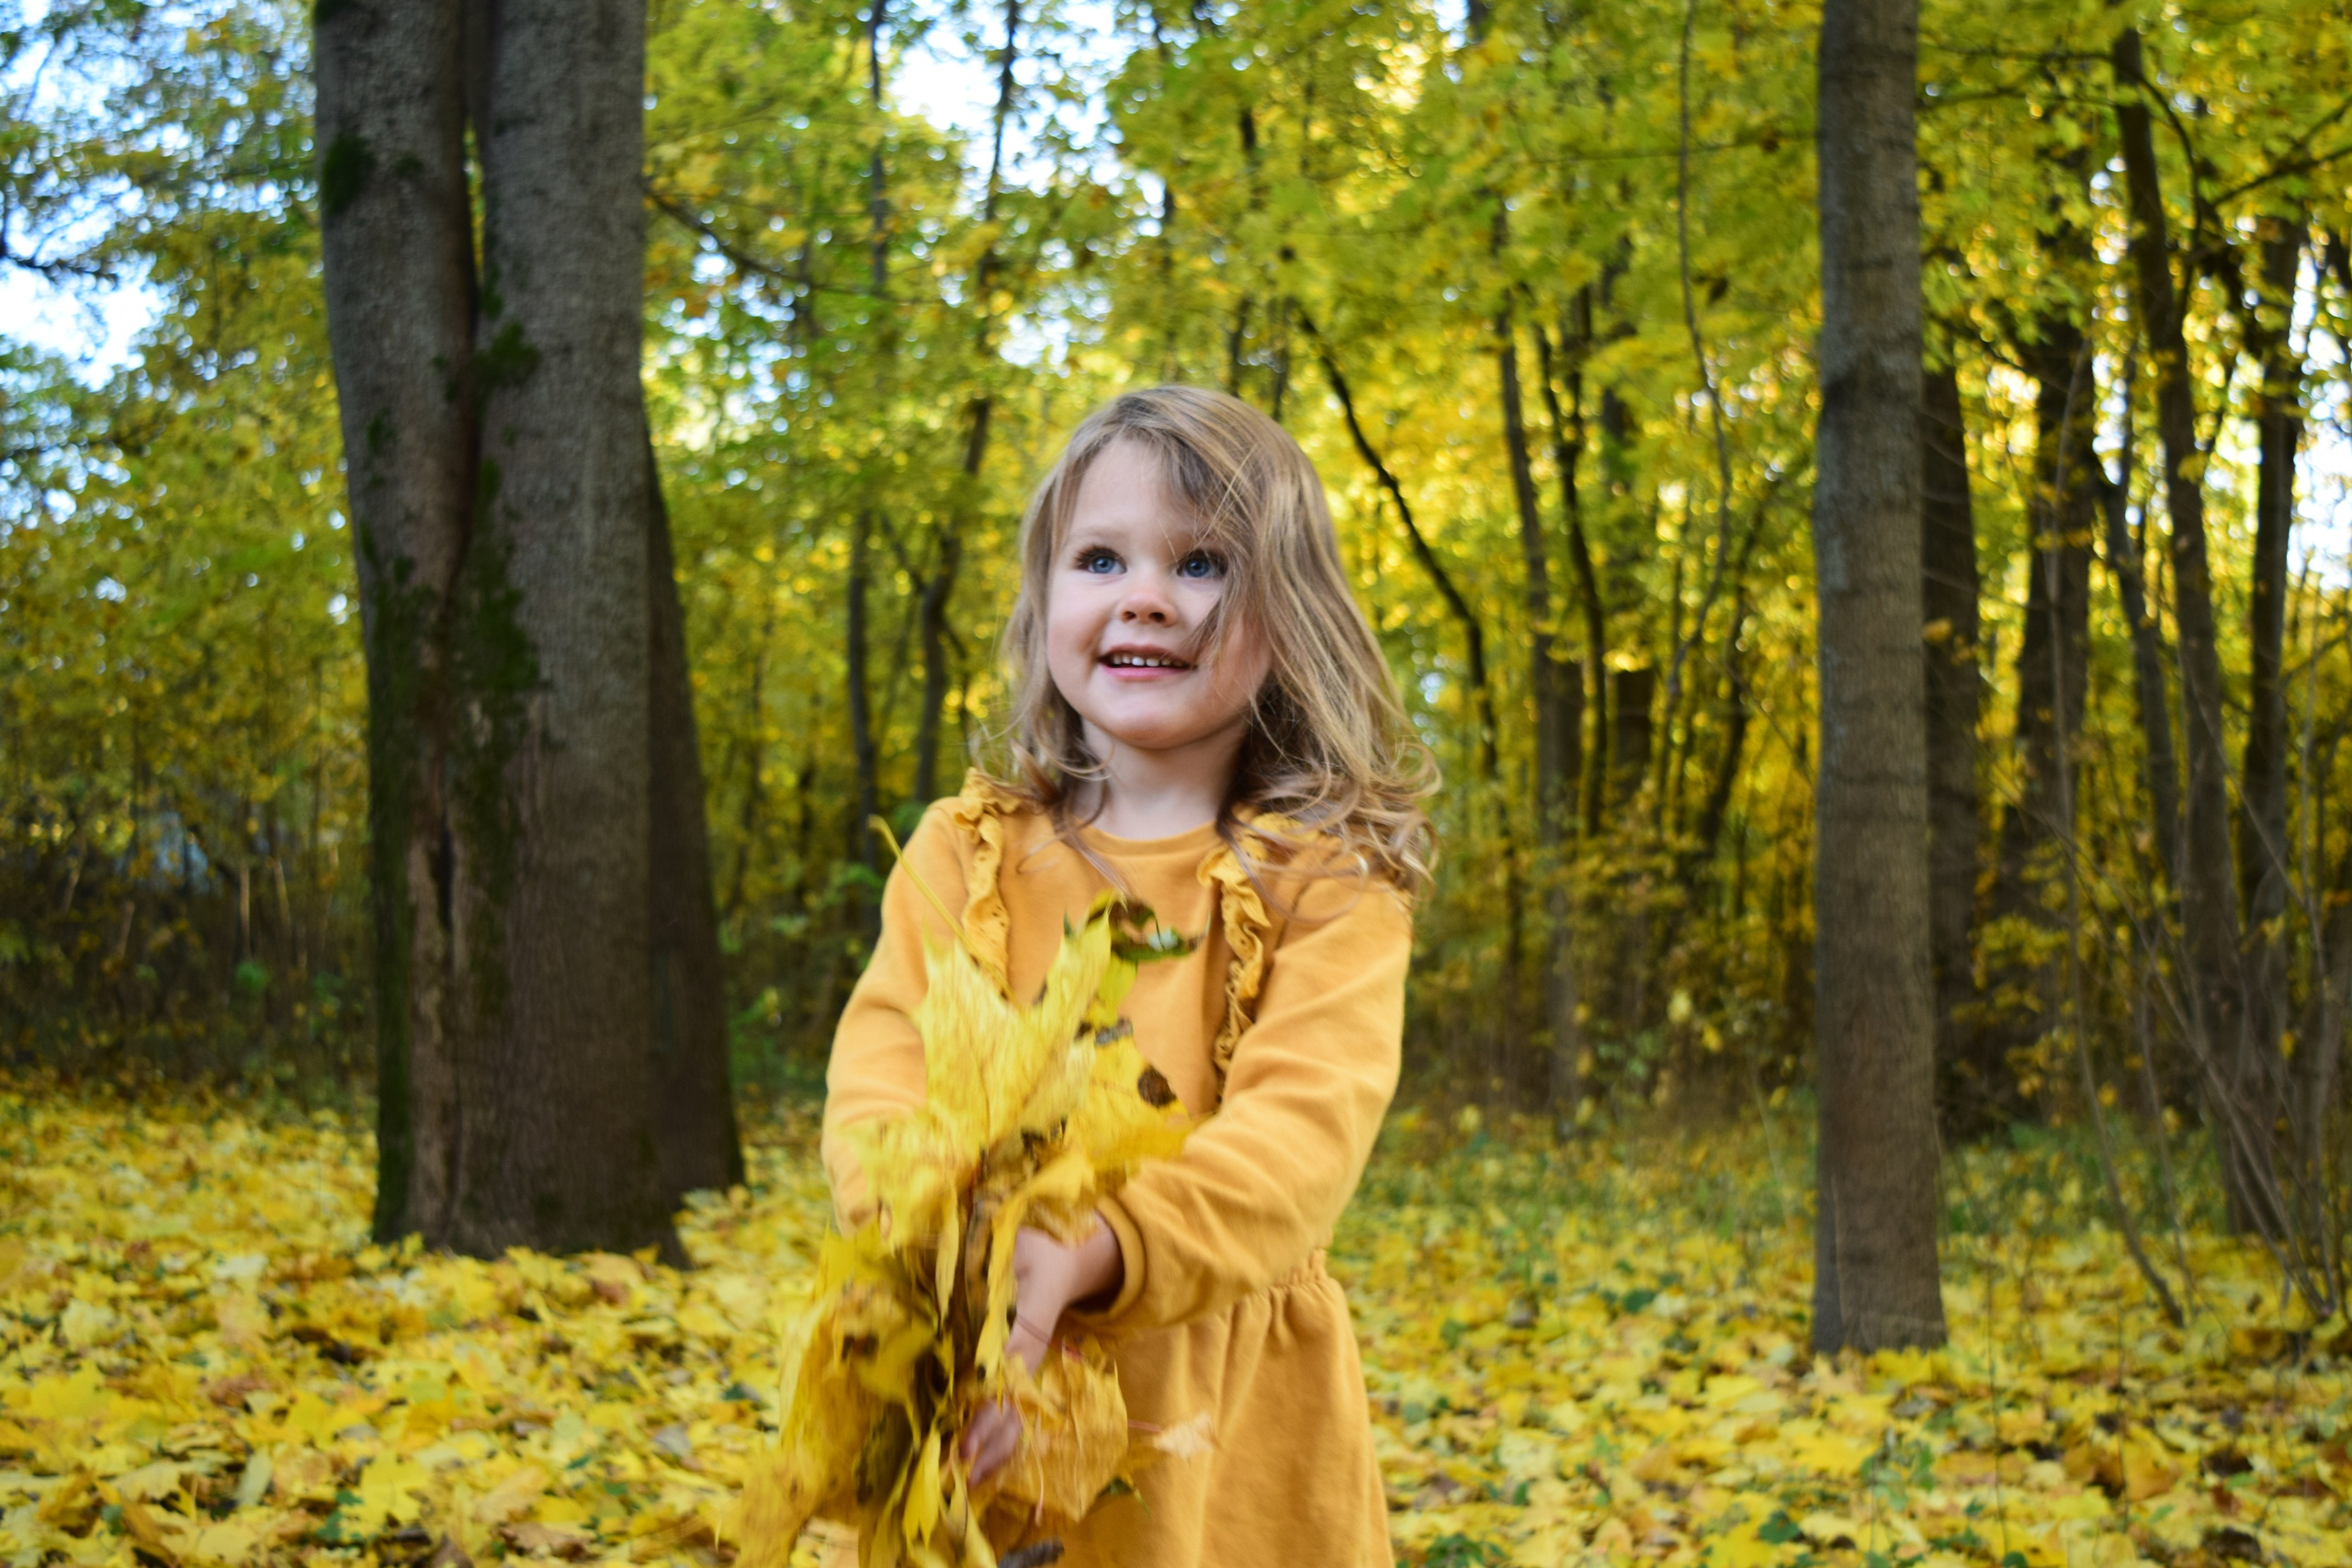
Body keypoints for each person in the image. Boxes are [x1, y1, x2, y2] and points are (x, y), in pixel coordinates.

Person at [821, 384, 1434, 1566]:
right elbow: (880, 1081)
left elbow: (1300, 1138)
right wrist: (954, 1283)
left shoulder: (1327, 882)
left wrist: (1094, 1253)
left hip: (1222, 1424)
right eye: (1099, 558)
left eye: (1202, 565)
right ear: (1045, 600)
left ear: (1289, 617)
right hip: (972, 1373)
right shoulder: (966, 853)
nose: (1143, 594)